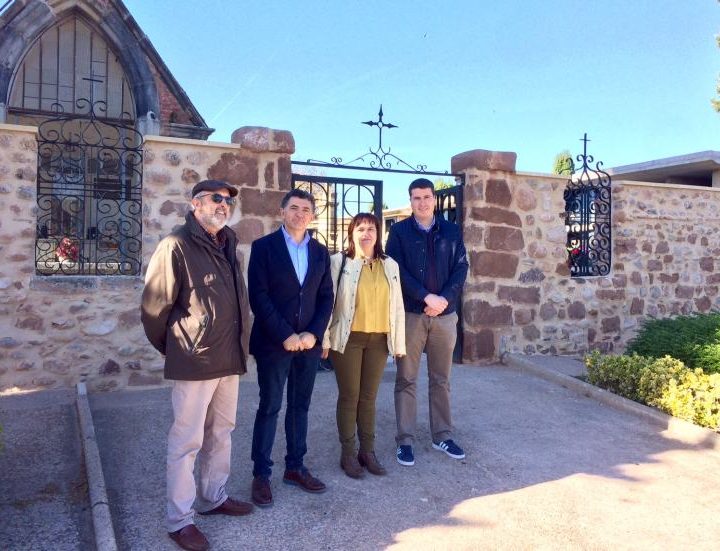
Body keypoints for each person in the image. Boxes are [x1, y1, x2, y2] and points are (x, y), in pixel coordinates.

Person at [141, 180, 253, 551]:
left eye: (228, 201)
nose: (224, 205)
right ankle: (179, 519)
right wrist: (178, 348)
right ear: (195, 204)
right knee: (187, 440)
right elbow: (154, 310)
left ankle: (214, 496)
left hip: (229, 358)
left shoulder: (228, 244)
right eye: (216, 199)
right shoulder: (176, 245)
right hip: (195, 359)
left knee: (222, 431)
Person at [247, 188, 334, 507]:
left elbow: (326, 296)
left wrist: (313, 333)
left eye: (306, 210)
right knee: (270, 406)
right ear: (282, 211)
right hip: (274, 343)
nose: (300, 214)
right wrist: (285, 334)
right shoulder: (263, 247)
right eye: (294, 208)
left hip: (308, 345)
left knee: (300, 406)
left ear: (312, 216)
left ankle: (295, 468)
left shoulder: (321, 252)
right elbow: (258, 295)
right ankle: (261, 474)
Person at [385, 178, 469, 467]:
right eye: (416, 197)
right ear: (410, 201)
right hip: (411, 315)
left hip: (444, 316)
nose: (422, 202)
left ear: (435, 199)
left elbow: (461, 268)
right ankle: (405, 440)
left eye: (426, 197)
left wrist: (443, 299)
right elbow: (396, 271)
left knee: (441, 379)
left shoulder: (452, 230)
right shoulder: (398, 232)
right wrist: (425, 297)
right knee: (406, 378)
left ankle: (442, 434)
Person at [322, 213, 405, 479]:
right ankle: (348, 452)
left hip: (379, 340)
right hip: (349, 339)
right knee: (350, 396)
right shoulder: (339, 262)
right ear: (352, 233)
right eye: (361, 229)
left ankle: (367, 451)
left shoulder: (390, 265)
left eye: (371, 229)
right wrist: (324, 338)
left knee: (369, 397)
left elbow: (398, 306)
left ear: (378, 234)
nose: (366, 233)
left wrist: (398, 342)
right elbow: (328, 303)